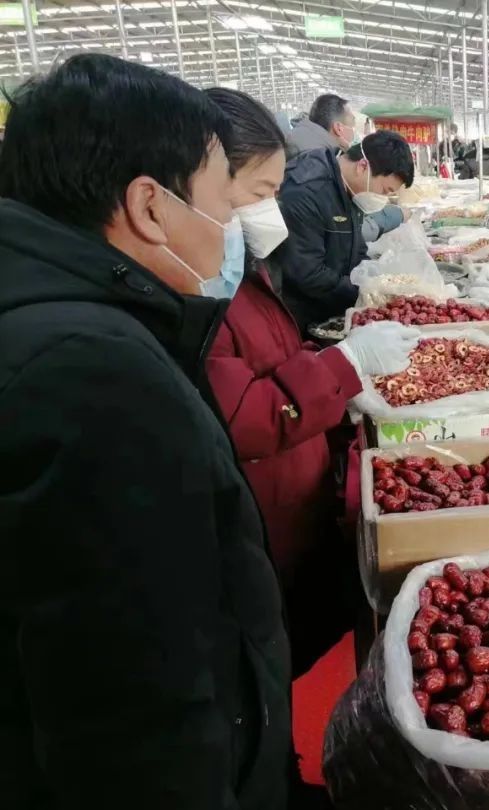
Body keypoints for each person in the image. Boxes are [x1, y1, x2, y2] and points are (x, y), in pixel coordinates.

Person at [0, 54, 292, 808]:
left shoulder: (46, 314)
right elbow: (136, 706)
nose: (230, 227)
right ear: (149, 206)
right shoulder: (93, 375)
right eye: (223, 200)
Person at [203, 89, 419, 679]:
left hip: (288, 507)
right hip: (262, 523)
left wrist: (329, 369)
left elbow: (273, 352)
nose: (269, 206)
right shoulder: (202, 290)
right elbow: (244, 414)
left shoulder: (237, 276)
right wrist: (343, 362)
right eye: (260, 192)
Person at [274, 130, 414, 331]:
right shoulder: (306, 192)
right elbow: (308, 273)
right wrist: (363, 291)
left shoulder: (348, 187)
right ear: (362, 166)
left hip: (333, 307)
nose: (383, 199)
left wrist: (377, 278)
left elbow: (355, 246)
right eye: (385, 191)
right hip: (303, 319)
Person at [285, 93, 356, 159]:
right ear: (338, 128)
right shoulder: (318, 157)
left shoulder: (303, 133)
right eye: (353, 121)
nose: (354, 128)